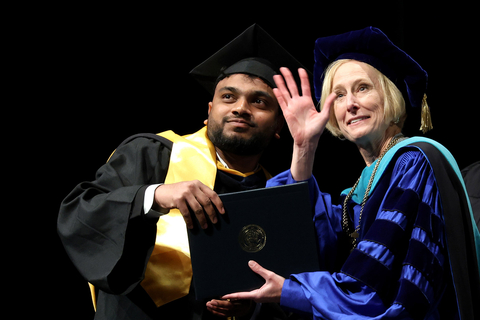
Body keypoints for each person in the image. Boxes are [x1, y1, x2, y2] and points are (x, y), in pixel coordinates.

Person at [220, 27, 480, 319]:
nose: (350, 104)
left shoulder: (413, 162)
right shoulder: (358, 190)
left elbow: (372, 285)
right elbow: (310, 250)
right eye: (338, 95)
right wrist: (304, 147)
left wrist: (292, 291)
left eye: (363, 88)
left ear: (391, 96)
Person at [57, 24, 311, 320]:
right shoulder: (153, 153)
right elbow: (80, 214)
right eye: (229, 97)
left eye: (259, 101)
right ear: (209, 110)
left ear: (279, 125)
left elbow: (290, 290)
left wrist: (252, 307)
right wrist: (155, 195)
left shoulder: (277, 195)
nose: (241, 108)